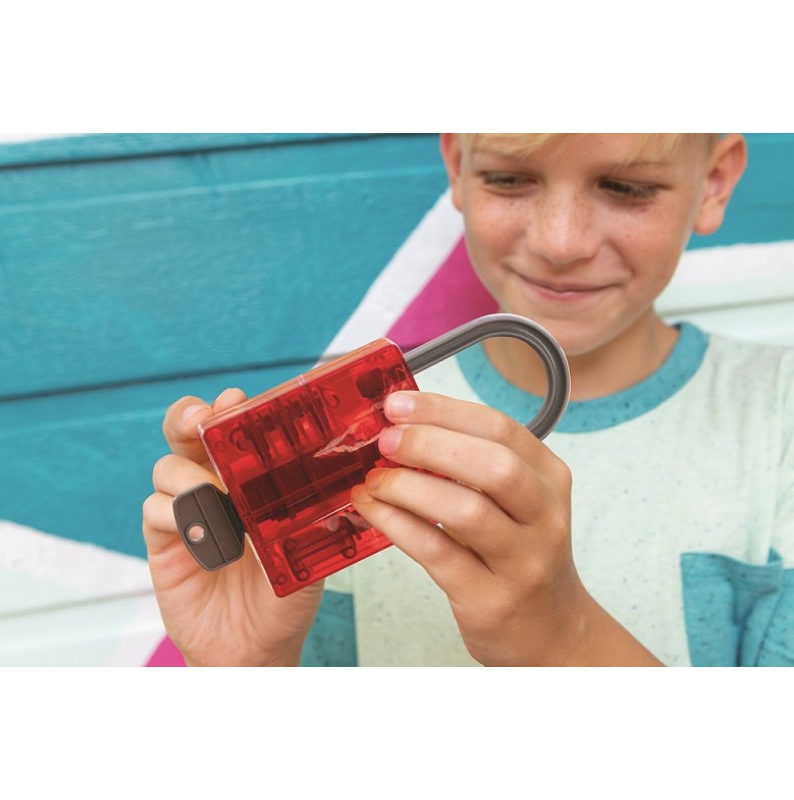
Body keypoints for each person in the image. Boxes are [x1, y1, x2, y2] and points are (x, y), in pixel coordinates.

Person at [142, 133, 794, 667]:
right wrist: (248, 668)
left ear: (714, 181)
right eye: (509, 179)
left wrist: (561, 639)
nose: (560, 242)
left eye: (626, 187)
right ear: (457, 164)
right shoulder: (341, 430)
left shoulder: (776, 420)